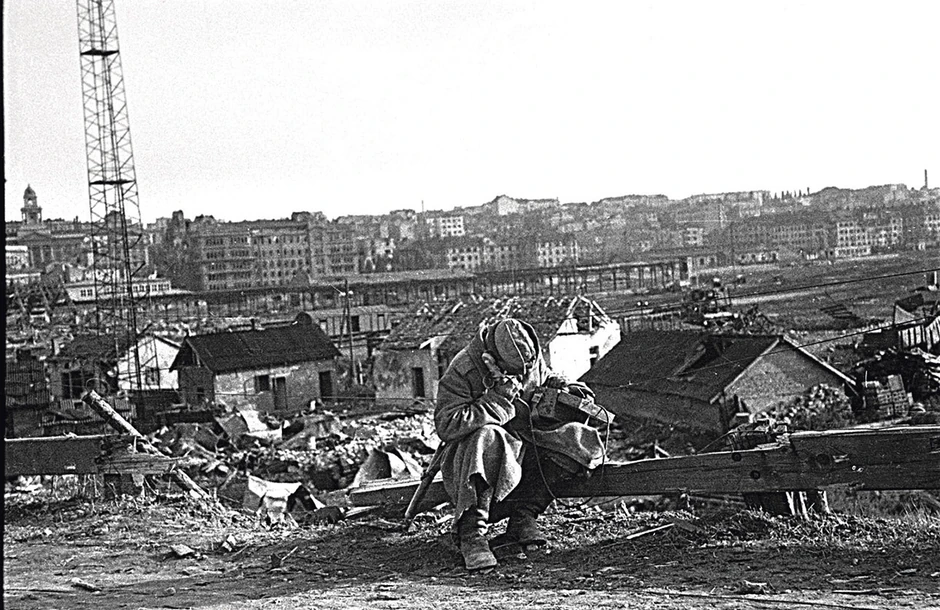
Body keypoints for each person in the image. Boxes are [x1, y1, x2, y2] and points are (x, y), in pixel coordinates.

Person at [434, 318, 606, 570]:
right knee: (489, 437)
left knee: (580, 440)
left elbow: (541, 377)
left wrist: (561, 386)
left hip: (526, 437)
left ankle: (523, 516)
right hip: (475, 455)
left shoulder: (530, 357)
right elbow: (447, 424)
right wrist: (497, 398)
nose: (523, 375)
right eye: (515, 371)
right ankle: (471, 534)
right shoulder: (464, 368)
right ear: (492, 359)